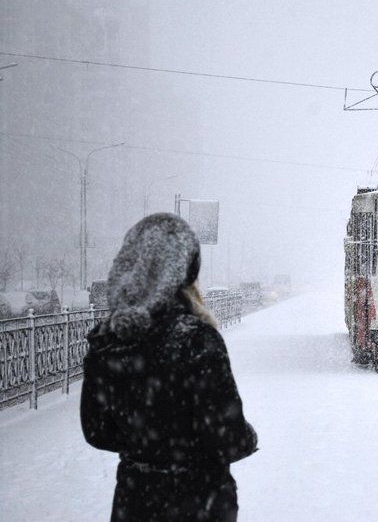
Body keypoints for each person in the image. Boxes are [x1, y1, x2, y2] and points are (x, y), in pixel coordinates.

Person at [80, 213, 257, 521]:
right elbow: (228, 438)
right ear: (185, 272)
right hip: (197, 501)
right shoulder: (195, 339)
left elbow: (97, 431)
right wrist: (247, 437)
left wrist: (146, 447)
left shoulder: (109, 339)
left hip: (134, 501)